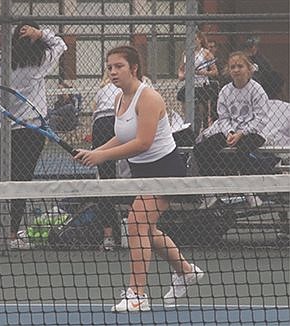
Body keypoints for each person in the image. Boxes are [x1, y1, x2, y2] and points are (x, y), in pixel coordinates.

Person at [74, 45, 204, 312]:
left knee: (135, 223)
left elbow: (143, 142)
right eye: (109, 67)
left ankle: (137, 295)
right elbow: (122, 136)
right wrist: (93, 152)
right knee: (146, 228)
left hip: (166, 169)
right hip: (141, 173)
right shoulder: (118, 99)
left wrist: (103, 157)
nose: (113, 71)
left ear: (134, 68)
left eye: (119, 66)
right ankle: (186, 271)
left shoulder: (150, 98)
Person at [0, 21, 67, 249]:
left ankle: (1, 234)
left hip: (4, 131)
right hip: (31, 133)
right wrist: (40, 34)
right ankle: (11, 234)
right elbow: (60, 44)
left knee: (4, 180)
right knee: (22, 181)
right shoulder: (41, 61)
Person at [193, 51, 269, 206]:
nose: (236, 70)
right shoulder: (225, 91)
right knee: (201, 149)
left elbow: (262, 118)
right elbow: (223, 117)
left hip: (253, 132)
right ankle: (211, 192)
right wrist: (230, 132)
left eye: (240, 66)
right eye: (232, 66)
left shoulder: (257, 90)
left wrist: (242, 133)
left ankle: (250, 191)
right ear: (228, 70)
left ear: (249, 69)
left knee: (242, 150)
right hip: (230, 132)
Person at [91, 70, 122, 251]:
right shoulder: (142, 86)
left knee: (106, 181)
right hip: (108, 122)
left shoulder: (102, 90)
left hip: (102, 125)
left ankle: (108, 237)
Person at [177, 31, 218, 133]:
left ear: (200, 39)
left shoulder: (206, 53)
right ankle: (189, 129)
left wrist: (204, 73)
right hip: (190, 84)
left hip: (202, 85)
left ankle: (204, 130)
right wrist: (182, 75)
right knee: (188, 109)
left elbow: (215, 71)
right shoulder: (186, 53)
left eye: (195, 39)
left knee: (201, 111)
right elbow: (181, 69)